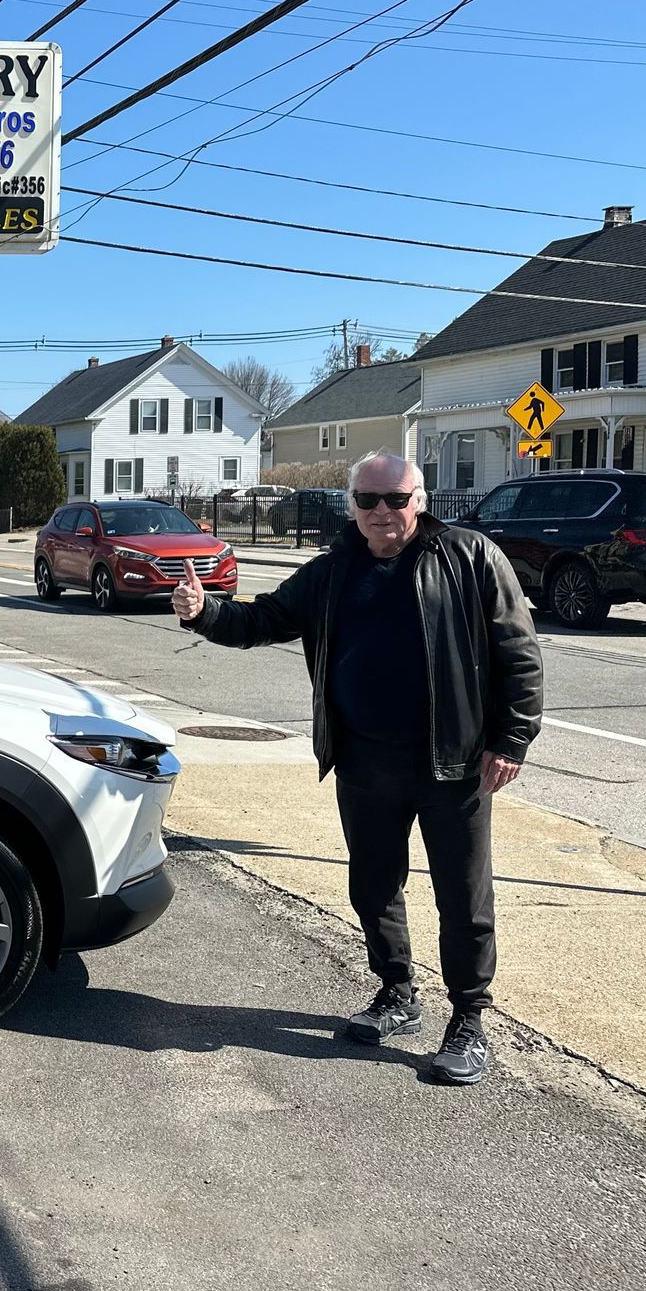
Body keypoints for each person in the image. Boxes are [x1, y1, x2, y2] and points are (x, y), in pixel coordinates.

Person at [172, 452, 543, 1085]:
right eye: (367, 501)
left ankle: (470, 1020)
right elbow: (264, 619)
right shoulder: (332, 570)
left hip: (451, 762)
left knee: (462, 894)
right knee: (373, 887)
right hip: (364, 759)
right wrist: (204, 611)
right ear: (351, 505)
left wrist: (510, 739)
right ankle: (397, 992)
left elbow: (519, 652)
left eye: (395, 500)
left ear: (418, 501)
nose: (381, 513)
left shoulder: (470, 557)